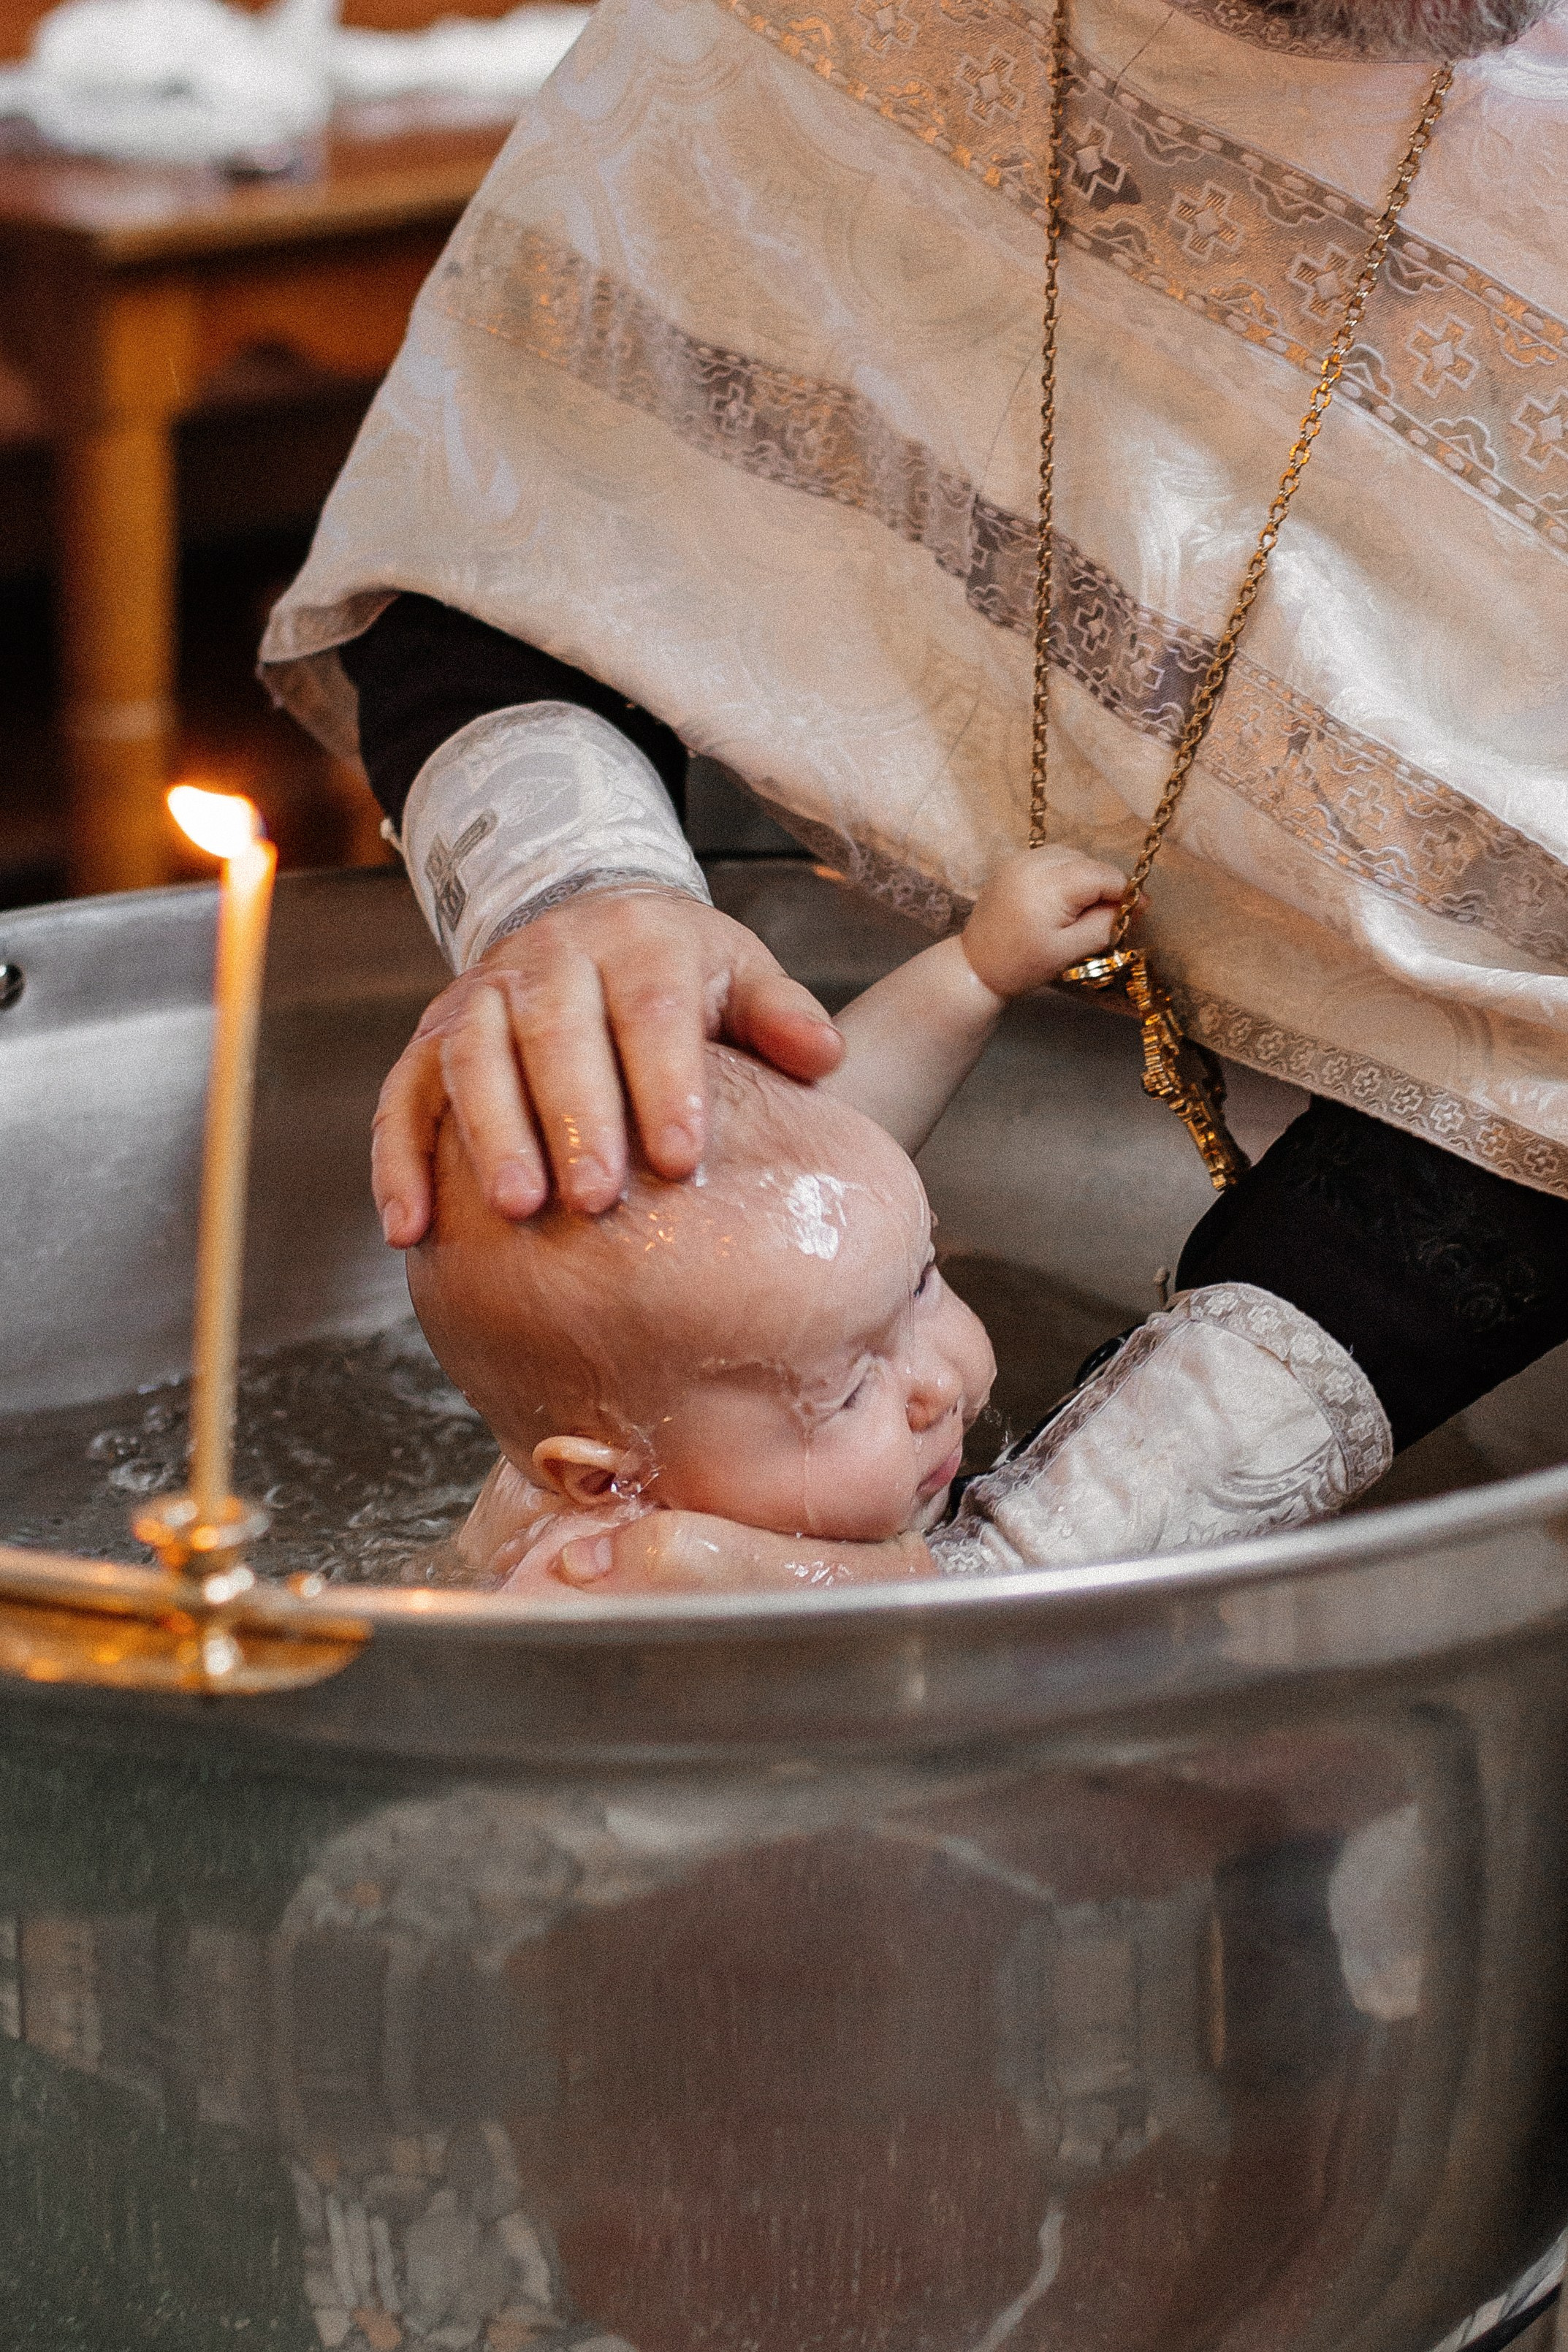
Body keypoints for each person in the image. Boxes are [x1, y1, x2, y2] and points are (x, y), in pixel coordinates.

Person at [260, 0, 1568, 1588]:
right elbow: (508, 508)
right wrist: (578, 890)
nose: (950, 1376)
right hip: (767, 1022)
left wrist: (992, 1582)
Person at [410, 850, 1390, 1594]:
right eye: (838, 1396)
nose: (935, 1385)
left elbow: (838, 1154)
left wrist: (974, 971)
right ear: (604, 1481)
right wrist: (839, 1584)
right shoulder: (600, 1581)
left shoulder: (727, 1355)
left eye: (919, 1284)